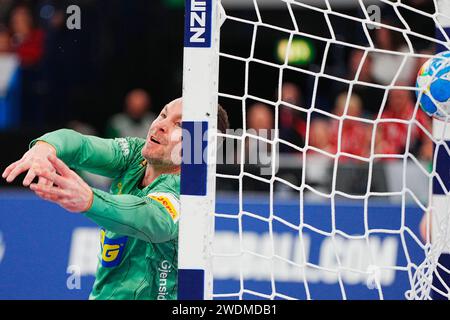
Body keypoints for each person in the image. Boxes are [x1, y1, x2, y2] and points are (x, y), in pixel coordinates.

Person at [2, 98, 229, 300]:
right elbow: (81, 145)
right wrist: (45, 149)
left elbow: (151, 218)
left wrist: (91, 200)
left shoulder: (188, 191)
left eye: (179, 125)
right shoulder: (134, 155)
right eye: (163, 114)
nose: (160, 125)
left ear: (200, 145)